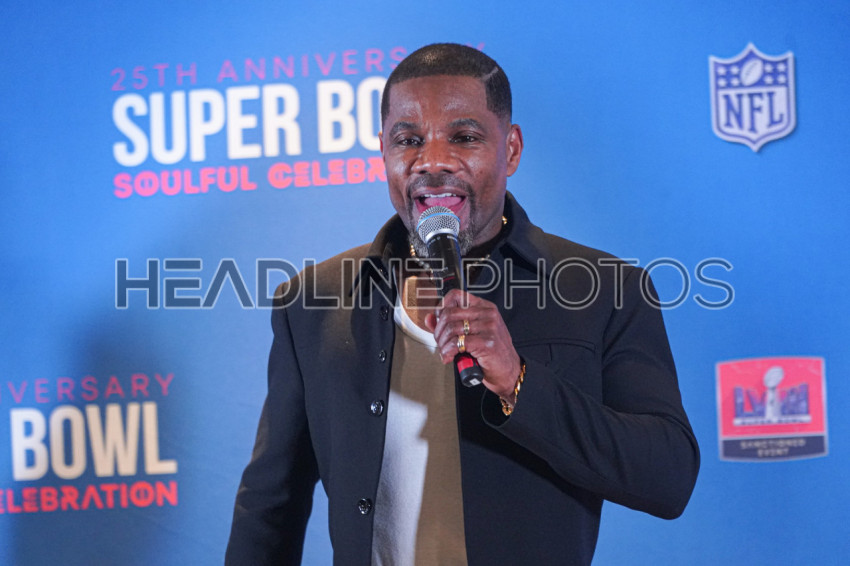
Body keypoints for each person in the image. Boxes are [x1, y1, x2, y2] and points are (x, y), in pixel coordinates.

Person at [225, 43, 700, 566]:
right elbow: (271, 505)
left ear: (510, 149)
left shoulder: (607, 288)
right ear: (383, 151)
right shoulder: (312, 301)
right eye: (408, 140)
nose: (432, 161)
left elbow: (668, 478)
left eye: (465, 137)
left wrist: (518, 382)